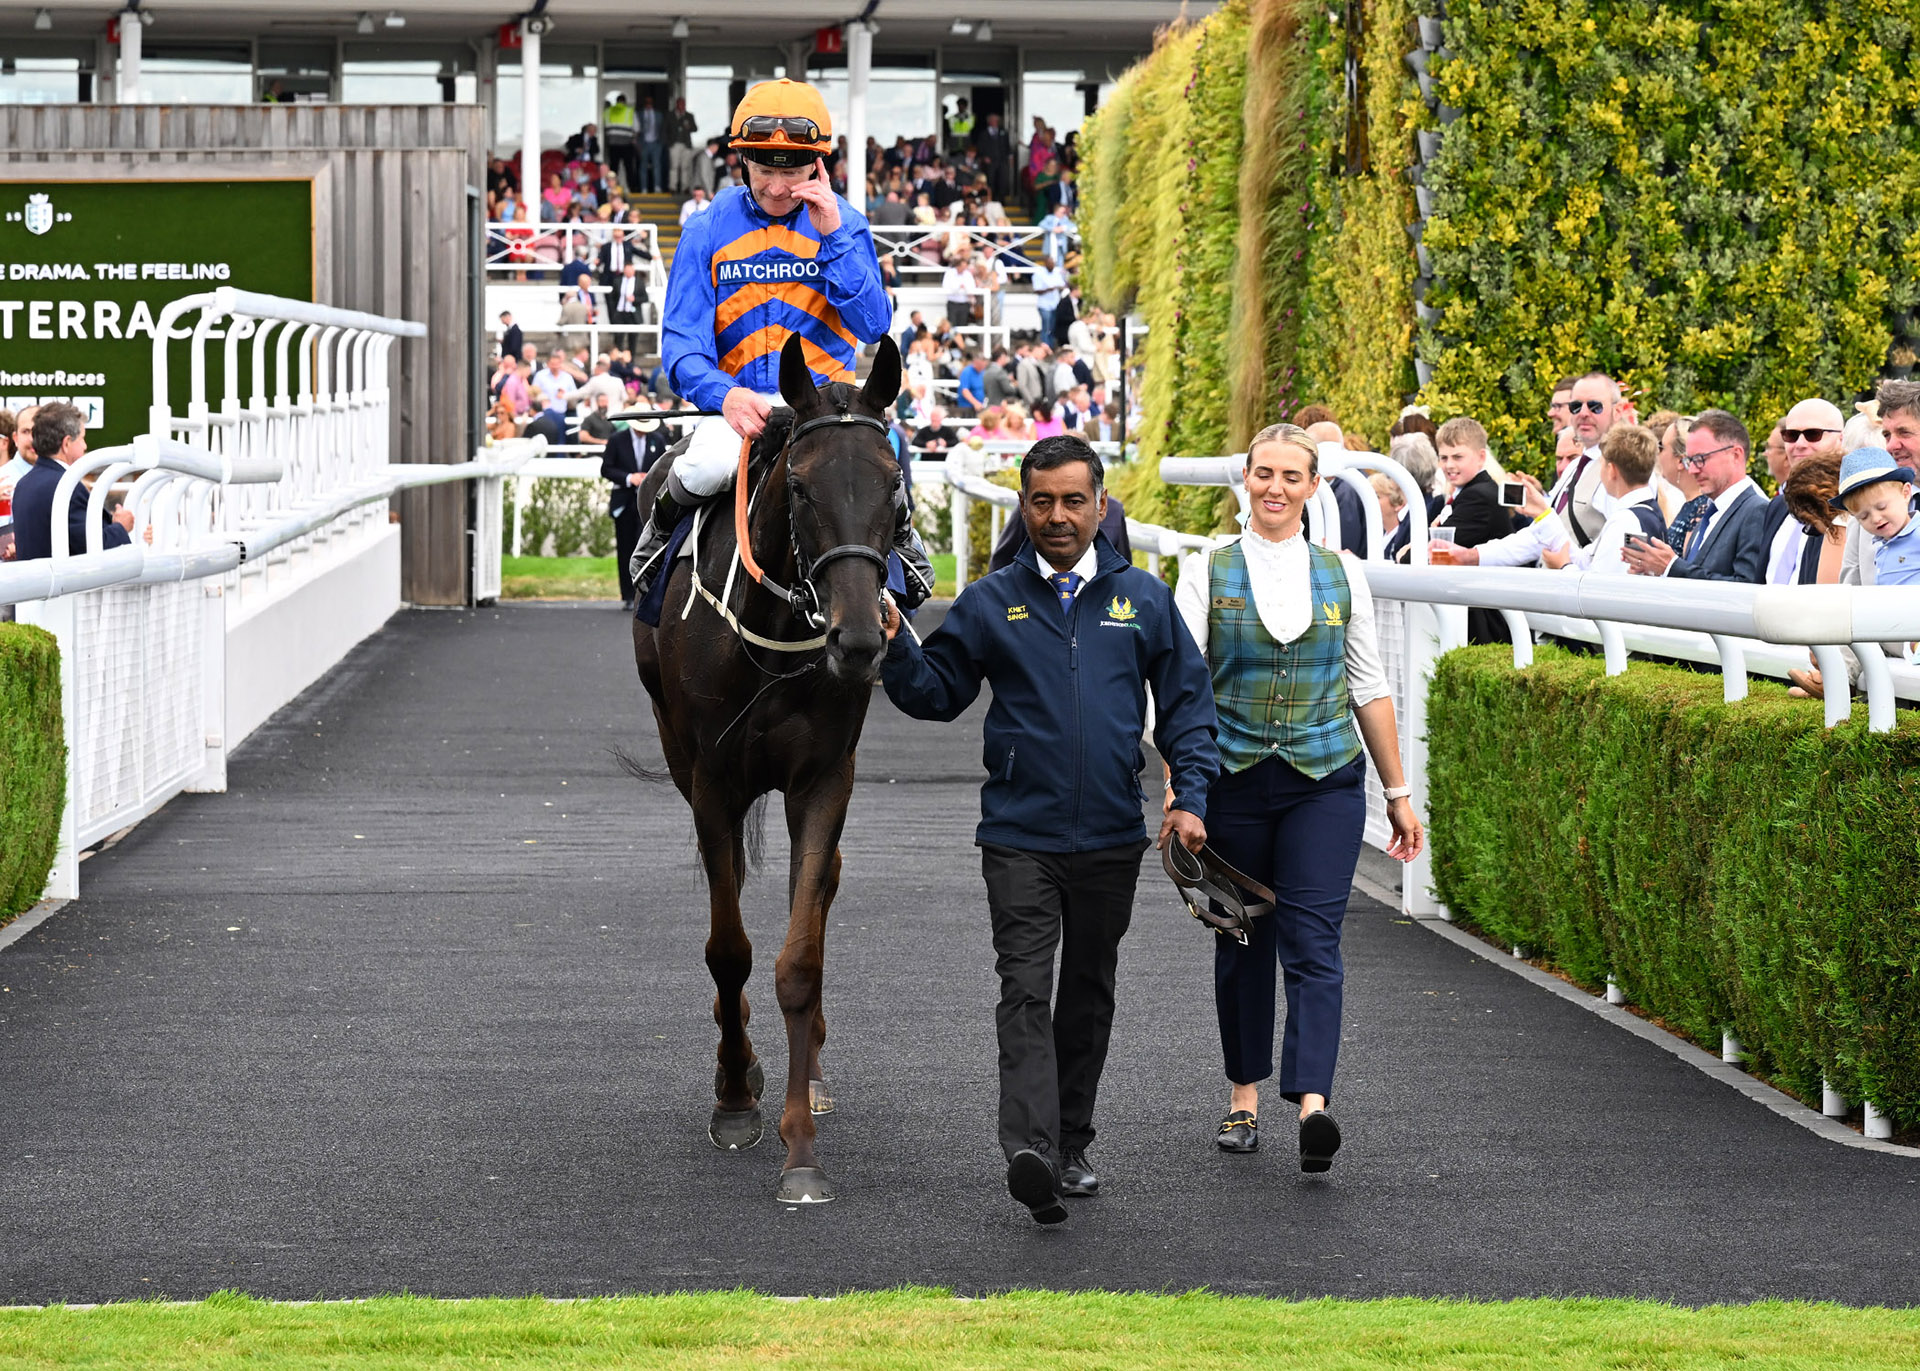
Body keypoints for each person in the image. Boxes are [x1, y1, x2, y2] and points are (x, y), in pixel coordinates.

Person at [879, 435, 1218, 1224]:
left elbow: (1188, 708)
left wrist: (1190, 797)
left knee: (1088, 993)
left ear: (1101, 504)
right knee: (1025, 988)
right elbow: (937, 693)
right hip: (1018, 835)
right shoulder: (991, 600)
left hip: (1111, 835)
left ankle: (1070, 1144)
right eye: (1042, 501)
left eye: (1072, 500)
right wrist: (897, 644)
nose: (1057, 516)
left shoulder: (1144, 599)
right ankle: (1030, 1149)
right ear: (1023, 507)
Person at [1173, 422, 1422, 1172]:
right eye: (1264, 474)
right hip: (1233, 780)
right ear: (1245, 480)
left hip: (1325, 781)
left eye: (1292, 476)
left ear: (1314, 486)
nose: (1275, 488)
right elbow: (1182, 691)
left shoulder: (1344, 573)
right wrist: (1182, 790)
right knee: (1242, 937)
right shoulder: (1205, 569)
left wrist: (1398, 792)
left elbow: (1368, 686)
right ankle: (1243, 1097)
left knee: (1315, 941)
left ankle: (1314, 1104)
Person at [630, 78, 924, 606]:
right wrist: (724, 396)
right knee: (705, 466)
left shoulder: (847, 223)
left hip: (825, 408)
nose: (777, 187)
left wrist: (833, 237)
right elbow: (681, 348)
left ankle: (901, 574)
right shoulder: (705, 229)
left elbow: (873, 326)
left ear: (817, 165)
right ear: (742, 159)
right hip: (739, 406)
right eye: (765, 170)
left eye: (792, 172)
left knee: (881, 469)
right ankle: (657, 545)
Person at [1621, 409, 1769, 581]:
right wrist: (1656, 573)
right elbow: (1694, 576)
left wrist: (1671, 567)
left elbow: (1746, 587)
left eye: (1700, 459)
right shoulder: (1711, 511)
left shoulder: (1756, 511)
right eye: (1689, 461)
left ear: (1735, 455)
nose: (1692, 470)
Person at [11, 404, 133, 562]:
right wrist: (121, 527)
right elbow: (92, 545)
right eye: (82, 438)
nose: (85, 446)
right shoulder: (66, 487)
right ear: (66, 443)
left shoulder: (23, 484)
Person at [1542, 424, 1665, 575]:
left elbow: (1603, 583)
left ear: (1611, 470)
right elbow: (1586, 558)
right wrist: (1543, 515)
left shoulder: (1625, 522)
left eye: (1601, 465)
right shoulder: (1648, 511)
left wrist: (1563, 566)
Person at [1831, 446, 1919, 585]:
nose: (1876, 519)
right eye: (1863, 517)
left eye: (1882, 507)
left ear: (1906, 493)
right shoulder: (1881, 545)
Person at [667, 96, 699, 193]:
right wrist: (669, 143)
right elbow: (665, 130)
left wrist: (688, 126)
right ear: (677, 104)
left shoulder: (689, 116)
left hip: (686, 145)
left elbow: (695, 128)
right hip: (674, 144)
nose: (682, 106)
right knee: (674, 166)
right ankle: (673, 187)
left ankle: (685, 187)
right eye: (680, 104)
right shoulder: (670, 115)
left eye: (683, 104)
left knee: (685, 167)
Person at [638, 96, 665, 194]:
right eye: (647, 102)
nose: (648, 104)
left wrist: (662, 143)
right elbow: (636, 129)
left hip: (656, 143)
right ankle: (643, 188)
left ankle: (657, 187)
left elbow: (663, 129)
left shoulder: (659, 114)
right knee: (643, 166)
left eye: (650, 102)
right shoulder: (639, 114)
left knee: (657, 166)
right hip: (644, 143)